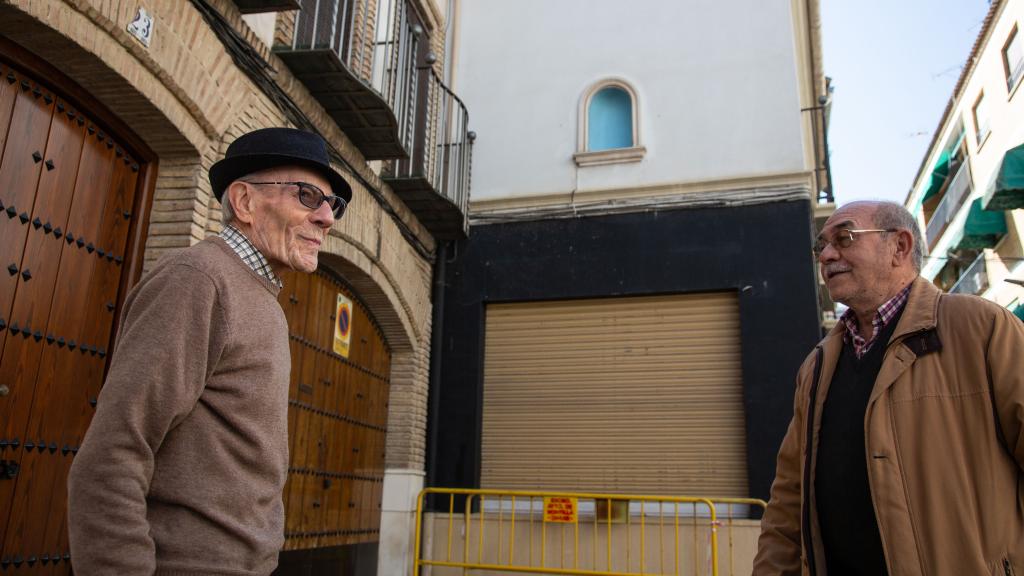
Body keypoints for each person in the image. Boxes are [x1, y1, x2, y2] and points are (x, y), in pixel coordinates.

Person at [67, 127, 352, 575]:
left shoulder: (266, 302)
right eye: (307, 195)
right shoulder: (197, 280)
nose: (327, 218)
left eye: (332, 204)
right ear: (244, 201)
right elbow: (112, 455)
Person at [753, 200, 1024, 576]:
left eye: (844, 238)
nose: (827, 254)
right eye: (821, 246)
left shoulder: (979, 327)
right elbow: (787, 501)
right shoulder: (815, 368)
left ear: (900, 247)